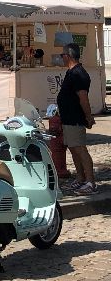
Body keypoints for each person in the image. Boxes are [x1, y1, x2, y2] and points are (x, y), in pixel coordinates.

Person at [57, 43, 97, 195]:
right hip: (67, 118)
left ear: (68, 55)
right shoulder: (71, 72)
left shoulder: (79, 73)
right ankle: (80, 178)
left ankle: (90, 182)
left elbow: (83, 98)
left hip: (75, 118)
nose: (61, 57)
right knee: (73, 148)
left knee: (80, 149)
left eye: (62, 55)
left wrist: (88, 117)